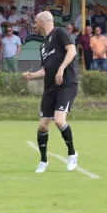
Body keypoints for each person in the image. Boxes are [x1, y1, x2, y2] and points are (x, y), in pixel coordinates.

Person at [23, 11, 79, 174]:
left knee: (59, 121)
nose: (34, 26)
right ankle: (43, 160)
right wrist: (32, 75)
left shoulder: (60, 32)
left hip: (66, 85)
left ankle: (72, 153)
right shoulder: (43, 45)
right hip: (50, 88)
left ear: (41, 22)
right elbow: (45, 70)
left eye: (35, 22)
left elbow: (72, 51)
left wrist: (61, 69)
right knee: (42, 125)